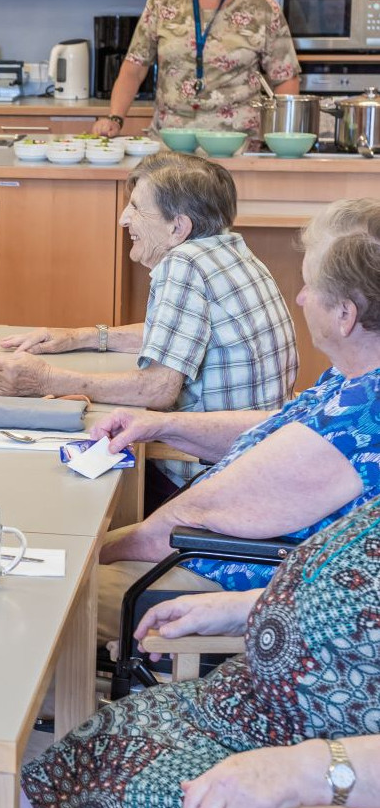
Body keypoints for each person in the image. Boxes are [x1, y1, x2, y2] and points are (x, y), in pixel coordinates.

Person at [94, 197, 380, 647]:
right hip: (216, 559)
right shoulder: (359, 381)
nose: (301, 298)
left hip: (229, 590)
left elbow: (189, 517)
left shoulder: (358, 421)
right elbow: (280, 424)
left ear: (345, 316)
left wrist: (92, 551)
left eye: (309, 287)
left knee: (45, 599)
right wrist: (163, 426)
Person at [20, 495, 380, 808]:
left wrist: (309, 771)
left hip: (308, 787)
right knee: (93, 759)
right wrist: (248, 608)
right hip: (237, 718)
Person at [0, 152, 298, 505]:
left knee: (42, 478)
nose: (124, 219)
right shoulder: (228, 251)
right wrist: (81, 337)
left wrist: (47, 379)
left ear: (178, 227)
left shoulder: (183, 265)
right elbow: (182, 335)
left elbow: (157, 389)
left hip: (203, 478)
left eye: (137, 208)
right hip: (257, 466)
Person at [91, 0, 300, 138]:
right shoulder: (163, 1)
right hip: (171, 143)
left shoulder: (261, 6)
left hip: (237, 146)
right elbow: (134, 68)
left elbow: (284, 77)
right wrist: (115, 118)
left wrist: (282, 137)